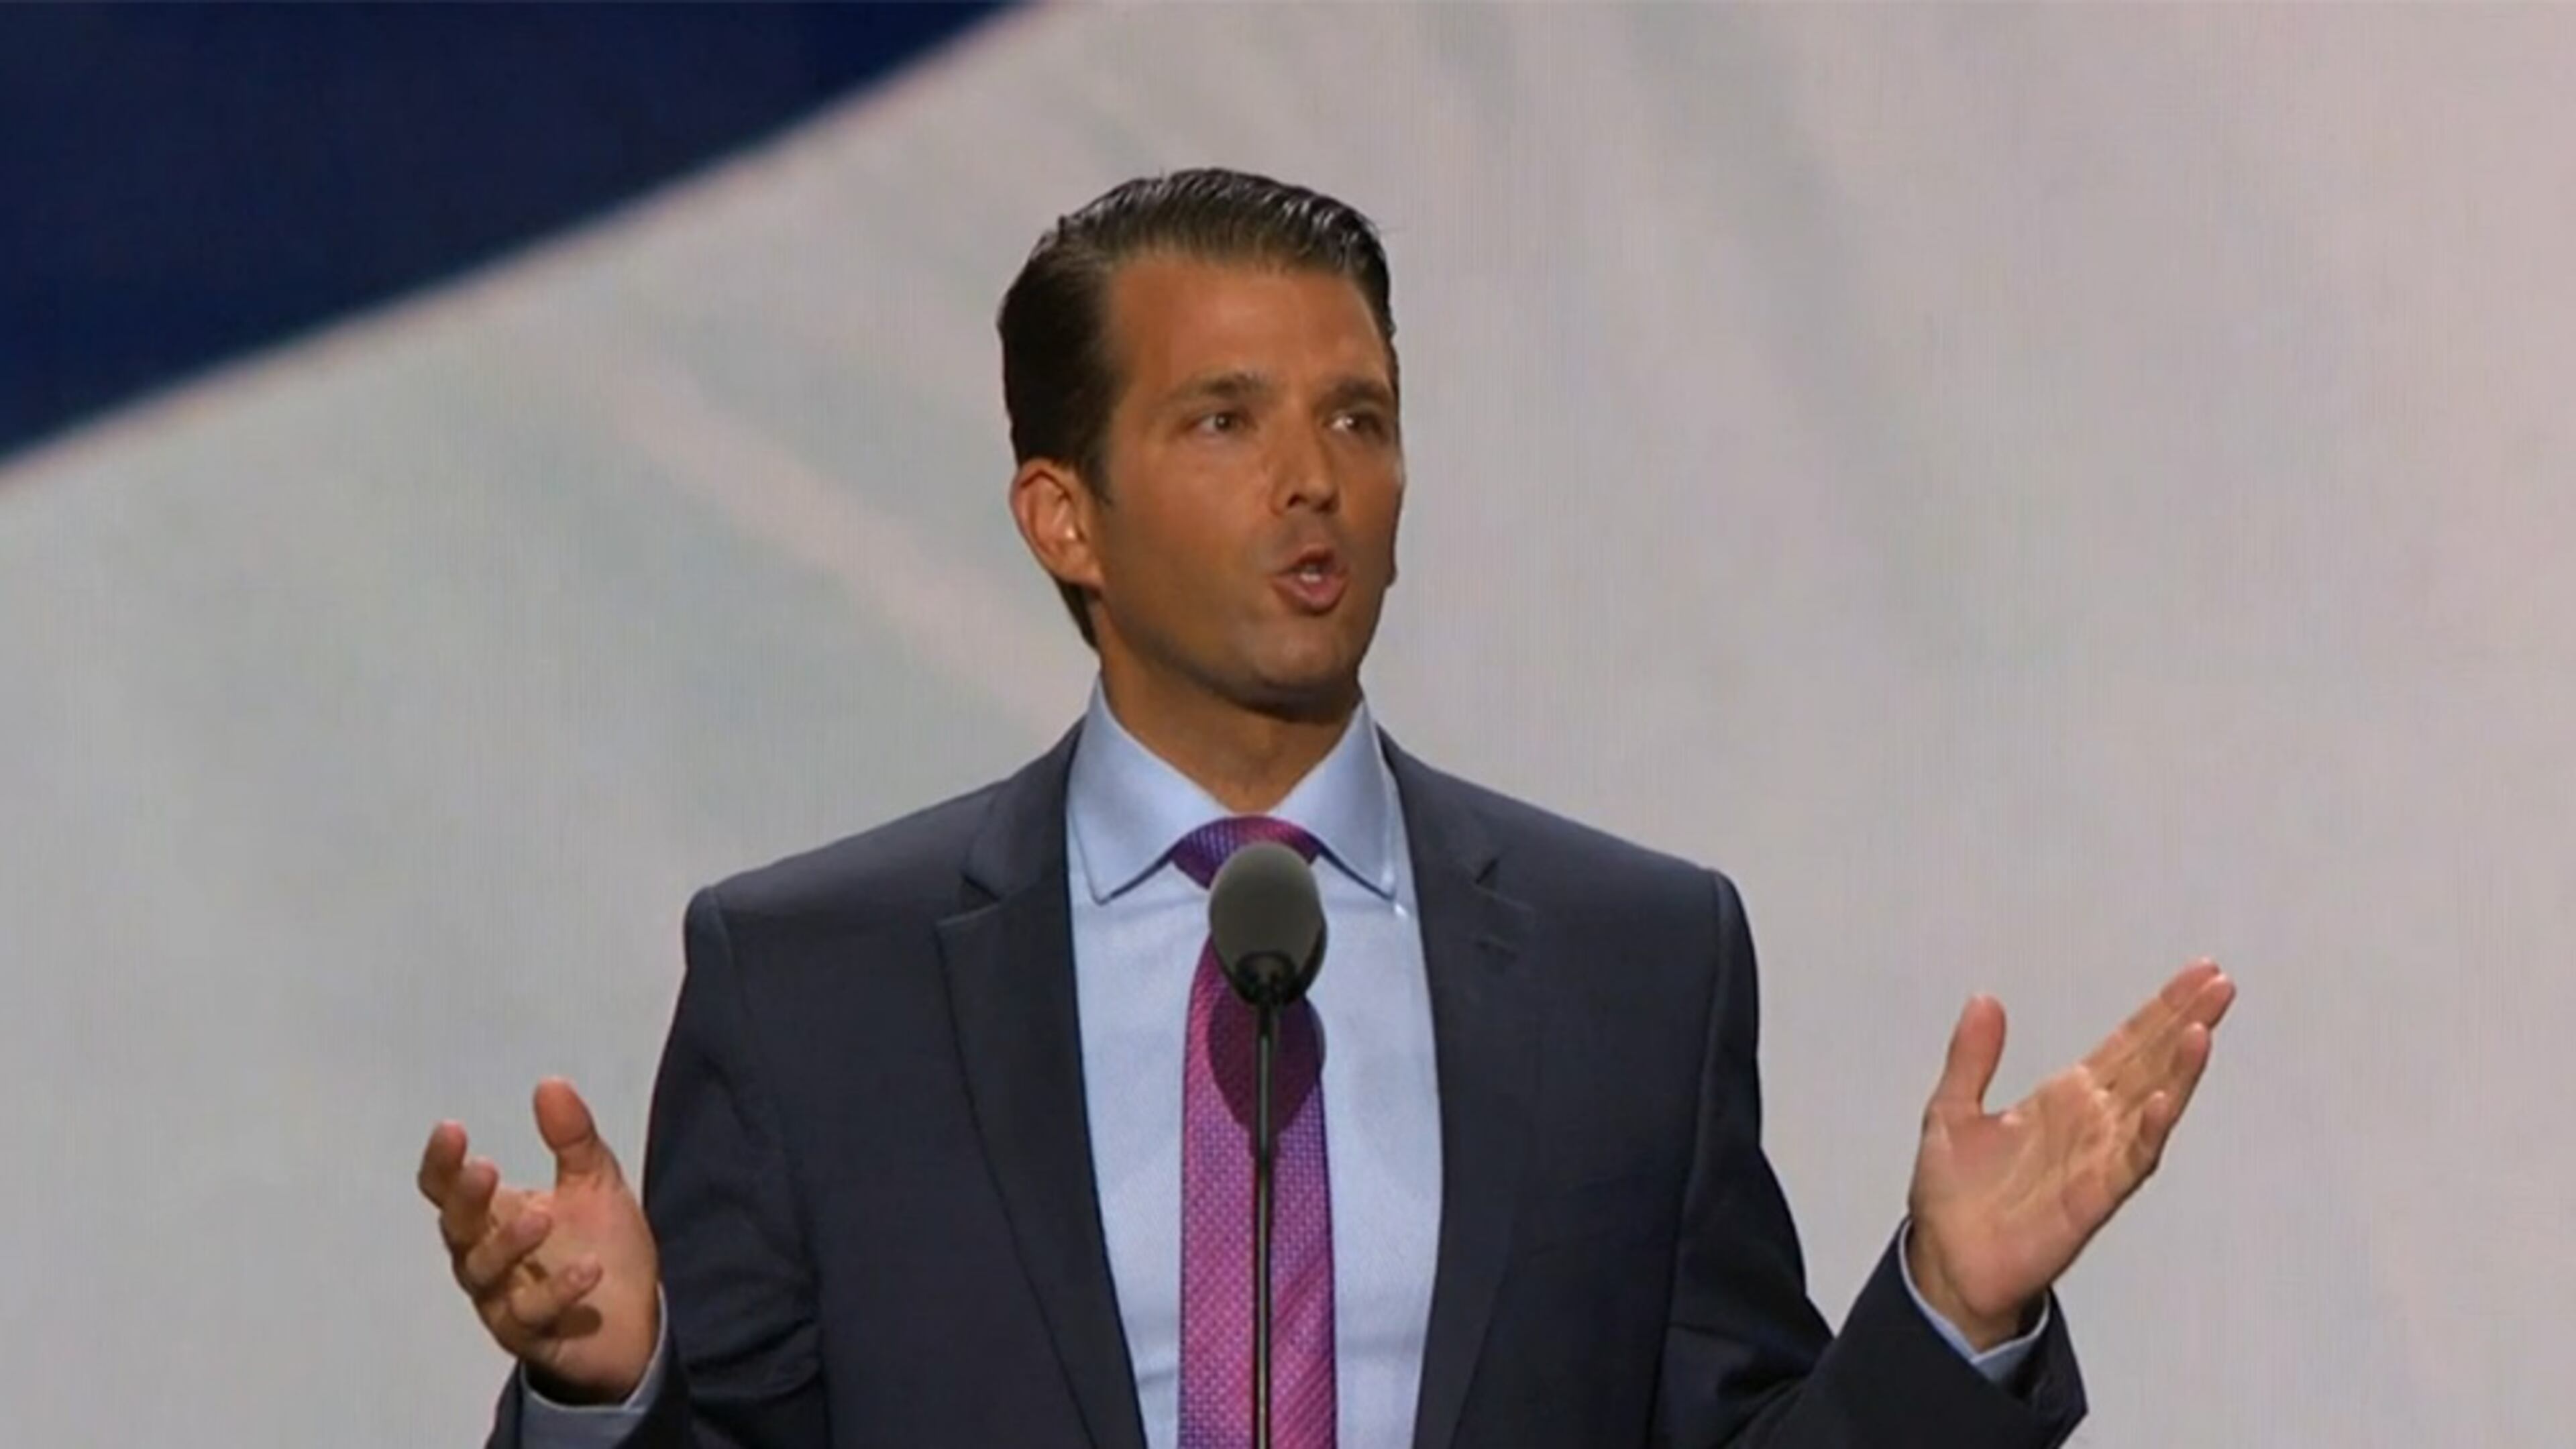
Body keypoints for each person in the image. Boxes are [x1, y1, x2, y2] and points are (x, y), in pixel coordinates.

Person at [418, 168, 2235, 1449]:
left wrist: (1945, 1318)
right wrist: (609, 1394)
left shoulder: (1635, 964)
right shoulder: (814, 982)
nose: (1316, 480)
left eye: (1359, 419)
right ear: (1065, 516)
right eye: (1225, 421)